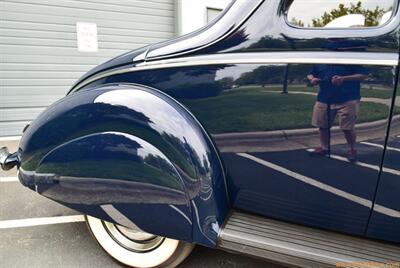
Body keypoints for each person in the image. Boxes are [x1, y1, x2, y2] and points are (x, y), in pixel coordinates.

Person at [307, 64, 368, 161]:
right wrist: (313, 79)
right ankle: (324, 148)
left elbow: (363, 75)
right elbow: (310, 74)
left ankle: (352, 150)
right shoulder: (321, 62)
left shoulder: (349, 60)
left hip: (348, 98)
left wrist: (343, 78)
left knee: (347, 128)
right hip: (324, 98)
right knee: (323, 126)